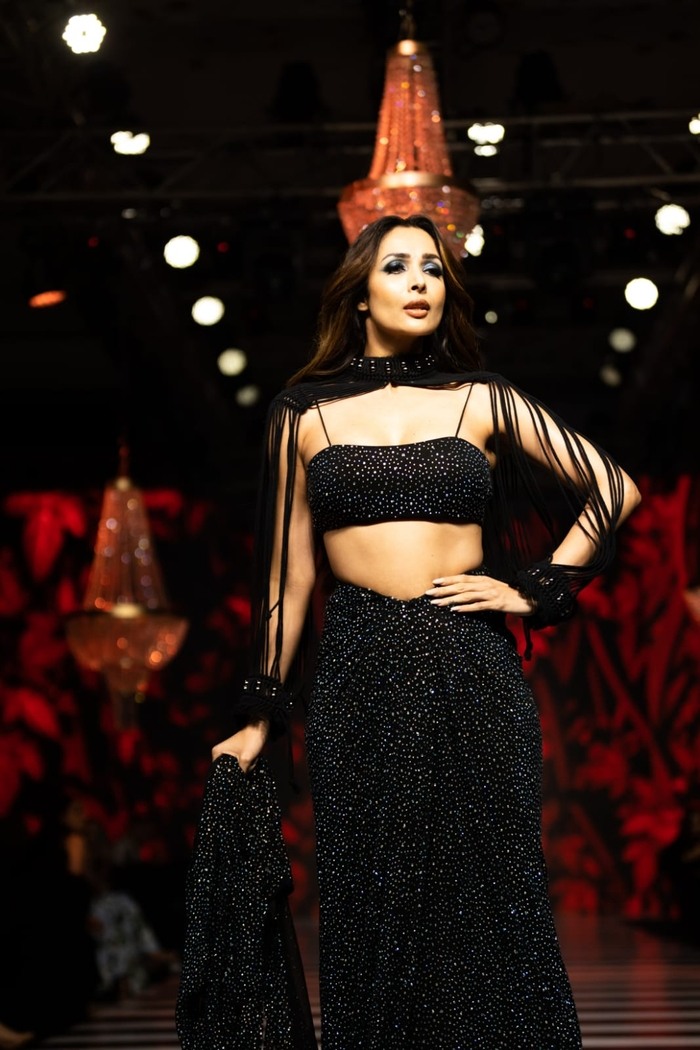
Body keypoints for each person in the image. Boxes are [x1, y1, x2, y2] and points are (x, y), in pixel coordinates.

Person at [210, 214, 641, 1048]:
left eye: (434, 269)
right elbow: (288, 580)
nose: (419, 281)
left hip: (470, 664)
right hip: (359, 672)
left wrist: (534, 589)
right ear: (358, 293)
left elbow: (613, 488)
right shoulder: (303, 413)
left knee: (494, 894)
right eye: (398, 266)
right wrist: (260, 717)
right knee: (372, 903)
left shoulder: (484, 396)